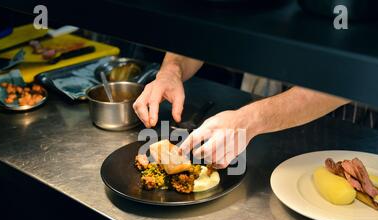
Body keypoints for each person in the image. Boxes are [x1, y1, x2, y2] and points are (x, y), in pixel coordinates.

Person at [133, 52, 349, 168]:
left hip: (339, 125)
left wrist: (251, 119)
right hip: (257, 106)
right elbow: (206, 22)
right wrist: (172, 69)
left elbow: (344, 80)